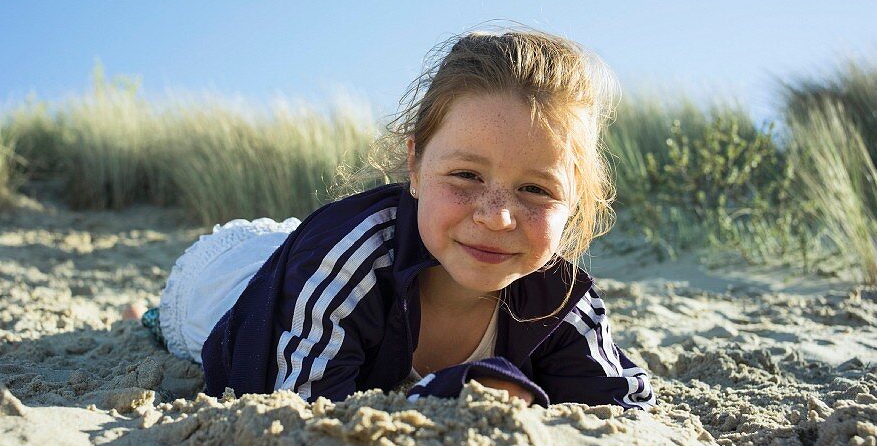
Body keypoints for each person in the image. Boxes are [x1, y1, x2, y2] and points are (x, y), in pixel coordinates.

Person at [131, 27, 655, 409]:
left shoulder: (559, 297)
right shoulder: (349, 265)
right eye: (466, 176)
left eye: (536, 189)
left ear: (575, 202)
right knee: (177, 328)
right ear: (416, 167)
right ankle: (146, 318)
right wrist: (456, 393)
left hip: (316, 261)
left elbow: (623, 404)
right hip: (228, 276)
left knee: (312, 261)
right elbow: (297, 407)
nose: (498, 217)